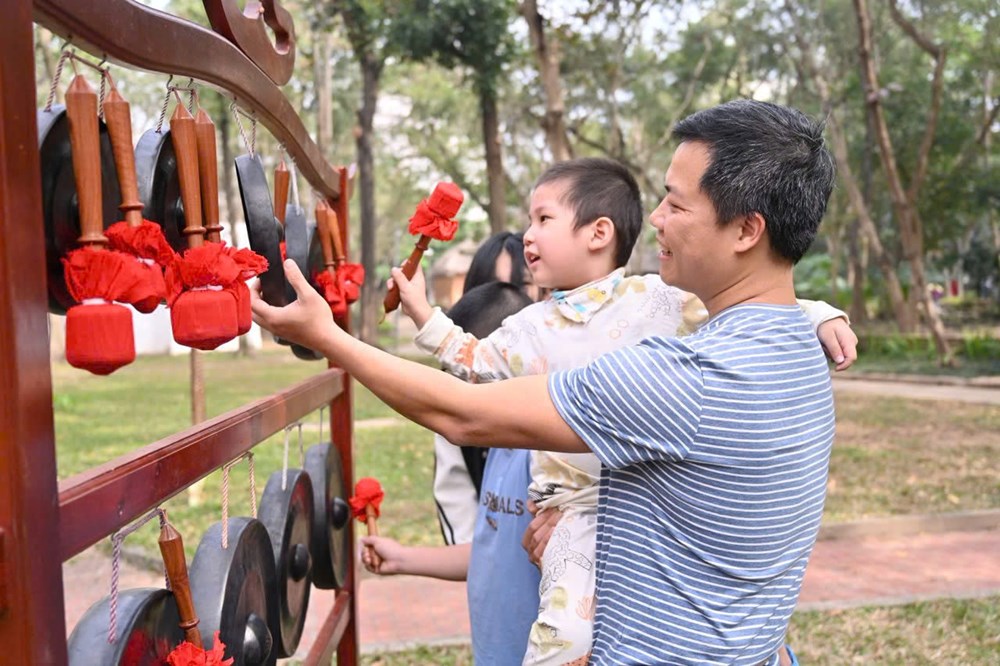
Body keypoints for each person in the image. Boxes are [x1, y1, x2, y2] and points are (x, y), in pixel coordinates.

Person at [252, 99, 848, 664]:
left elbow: (462, 413)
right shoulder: (801, 349)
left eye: (675, 203)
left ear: (746, 231)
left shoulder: (685, 376)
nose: (658, 219)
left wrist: (328, 337)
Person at [388, 158, 851, 665]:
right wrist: (422, 314)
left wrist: (821, 317)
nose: (527, 235)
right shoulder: (528, 327)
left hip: (640, 504)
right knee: (560, 633)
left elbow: (758, 308)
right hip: (570, 509)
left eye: (543, 220)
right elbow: (470, 360)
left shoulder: (659, 298)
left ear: (598, 233)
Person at [363, 280, 540, 665]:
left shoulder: (548, 461)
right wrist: (404, 560)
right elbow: (493, 554)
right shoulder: (497, 450)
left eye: (463, 379)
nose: (454, 397)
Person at [434, 231, 534, 546]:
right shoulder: (457, 380)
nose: (507, 303)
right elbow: (456, 494)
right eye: (492, 288)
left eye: (519, 286)